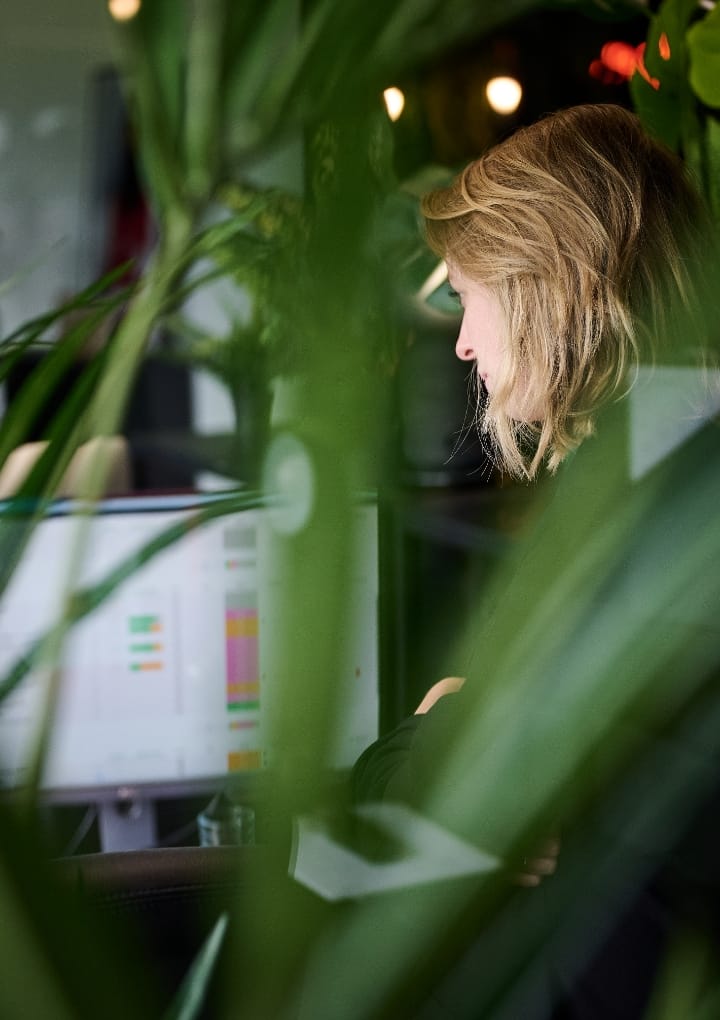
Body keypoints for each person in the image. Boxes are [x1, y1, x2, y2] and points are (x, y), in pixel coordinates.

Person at [350, 104, 720, 1017]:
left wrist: (439, 713)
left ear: (547, 281)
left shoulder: (635, 490)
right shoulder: (677, 454)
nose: (463, 342)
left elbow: (440, 791)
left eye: (468, 294)